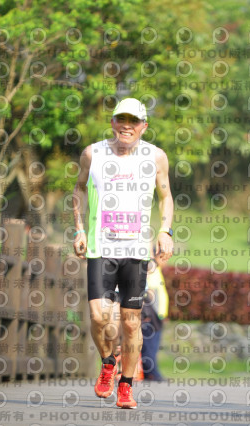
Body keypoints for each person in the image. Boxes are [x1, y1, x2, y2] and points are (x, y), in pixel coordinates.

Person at [72, 98, 174, 409]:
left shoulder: (155, 157)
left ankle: (126, 385)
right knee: (98, 316)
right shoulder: (93, 154)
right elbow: (78, 188)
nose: (127, 126)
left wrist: (165, 231)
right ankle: (107, 362)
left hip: (135, 250)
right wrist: (79, 229)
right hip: (101, 247)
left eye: (134, 121)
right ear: (113, 122)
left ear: (144, 126)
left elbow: (165, 196)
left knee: (130, 323)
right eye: (121, 119)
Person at [140, 254, 169, 381]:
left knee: (153, 343)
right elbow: (147, 291)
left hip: (158, 313)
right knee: (149, 343)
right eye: (163, 257)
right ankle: (151, 372)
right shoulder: (150, 267)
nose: (166, 260)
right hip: (150, 311)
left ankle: (151, 371)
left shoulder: (156, 269)